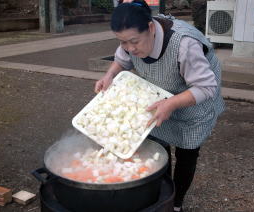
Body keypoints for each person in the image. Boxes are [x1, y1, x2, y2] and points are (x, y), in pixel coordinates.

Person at [94, 1, 225, 211]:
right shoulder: (130, 42)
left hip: (195, 98)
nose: (129, 48)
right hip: (160, 93)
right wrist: (109, 75)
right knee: (157, 144)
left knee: (186, 152)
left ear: (151, 27)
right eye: (123, 42)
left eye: (134, 42)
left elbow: (206, 86)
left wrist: (172, 102)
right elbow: (122, 60)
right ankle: (163, 195)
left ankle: (176, 202)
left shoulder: (184, 44)